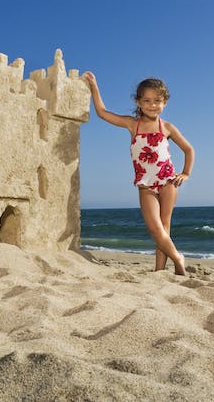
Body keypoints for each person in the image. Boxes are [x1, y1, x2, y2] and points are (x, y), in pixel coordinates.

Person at [83, 72, 194, 275]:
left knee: (164, 226)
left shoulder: (167, 127)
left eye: (157, 101)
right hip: (145, 184)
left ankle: (159, 271)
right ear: (138, 102)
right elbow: (102, 112)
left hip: (168, 181)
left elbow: (189, 149)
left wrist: (185, 173)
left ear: (165, 102)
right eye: (147, 101)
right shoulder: (133, 125)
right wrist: (94, 86)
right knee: (155, 228)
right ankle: (178, 257)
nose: (153, 105)